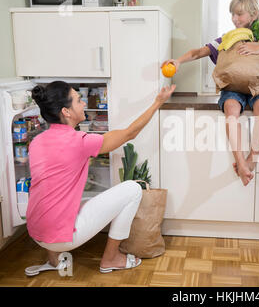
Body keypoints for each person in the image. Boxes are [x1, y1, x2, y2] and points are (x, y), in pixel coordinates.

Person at [26, 80, 176, 275]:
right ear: (66, 111)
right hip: (61, 239)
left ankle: (54, 260)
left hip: (36, 233)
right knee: (132, 189)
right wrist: (158, 102)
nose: (83, 104)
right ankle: (111, 258)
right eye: (79, 100)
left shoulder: (37, 141)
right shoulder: (79, 142)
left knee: (56, 196)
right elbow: (130, 133)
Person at [161, 0, 259, 186]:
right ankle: (241, 161)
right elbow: (199, 52)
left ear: (253, 14)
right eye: (232, 14)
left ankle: (252, 159)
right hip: (233, 88)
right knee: (231, 110)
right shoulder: (227, 39)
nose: (234, 19)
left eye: (239, 14)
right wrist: (178, 61)